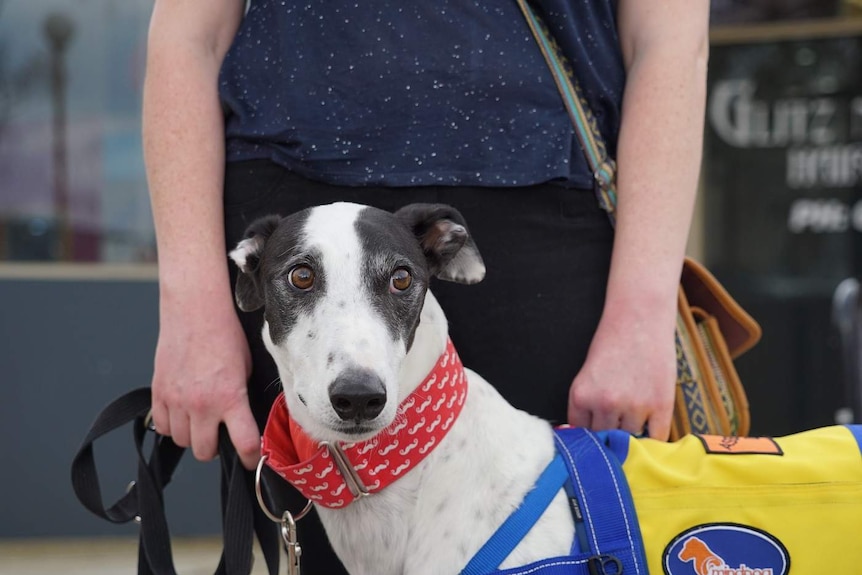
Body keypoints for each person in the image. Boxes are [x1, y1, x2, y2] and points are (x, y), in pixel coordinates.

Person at [142, 0, 709, 573]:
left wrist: (642, 313)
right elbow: (190, 36)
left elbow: (667, 37)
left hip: (546, 227)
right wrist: (192, 304)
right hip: (287, 207)